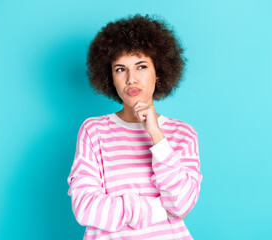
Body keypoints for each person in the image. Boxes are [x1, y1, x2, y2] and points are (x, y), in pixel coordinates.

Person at [67, 14, 203, 240]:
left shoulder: (183, 134)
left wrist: (157, 136)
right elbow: (85, 208)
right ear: (110, 77)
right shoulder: (93, 131)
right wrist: (159, 210)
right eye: (120, 69)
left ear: (158, 73)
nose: (131, 79)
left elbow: (181, 203)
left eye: (141, 66)